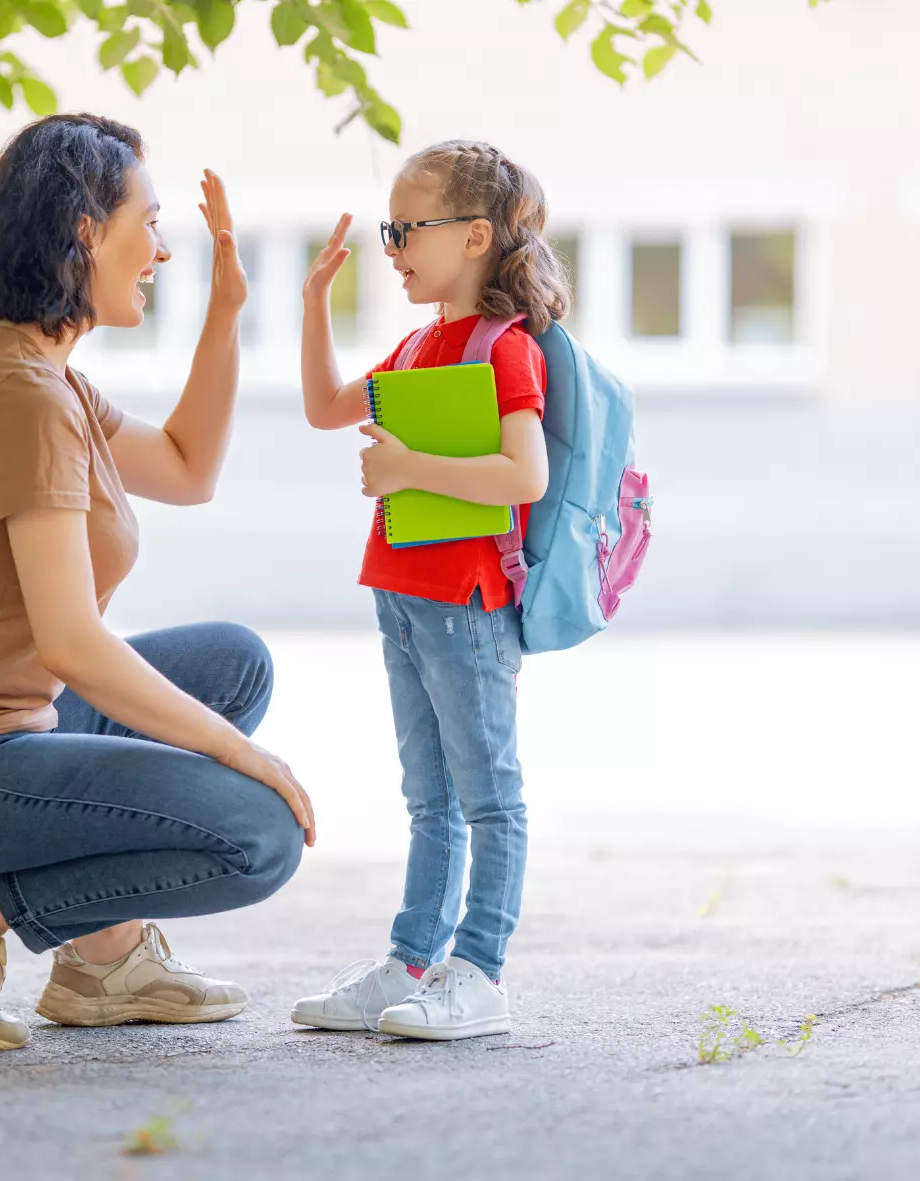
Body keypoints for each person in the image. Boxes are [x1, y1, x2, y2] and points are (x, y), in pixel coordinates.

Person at [0, 114, 314, 1053]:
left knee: (234, 663)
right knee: (255, 835)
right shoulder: (22, 393)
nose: (163, 247)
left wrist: (226, 315)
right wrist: (241, 756)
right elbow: (70, 640)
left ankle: (103, 961)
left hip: (14, 733)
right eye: (148, 219)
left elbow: (187, 467)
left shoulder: (47, 375)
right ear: (85, 230)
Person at [290, 140, 565, 1040]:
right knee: (428, 795)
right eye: (389, 228)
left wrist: (410, 463)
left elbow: (521, 476)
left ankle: (479, 970)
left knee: (489, 794)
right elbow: (327, 407)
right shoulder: (416, 343)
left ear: (476, 236)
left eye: (408, 228)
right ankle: (413, 962)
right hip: (403, 593)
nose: (394, 245)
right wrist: (311, 304)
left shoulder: (504, 348)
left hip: (468, 600)